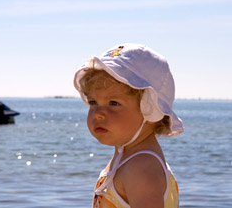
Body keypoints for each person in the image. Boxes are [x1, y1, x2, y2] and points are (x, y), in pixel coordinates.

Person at [73, 43, 184, 208]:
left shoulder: (140, 169)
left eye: (114, 103)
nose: (98, 113)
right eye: (93, 102)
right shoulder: (129, 156)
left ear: (150, 109)